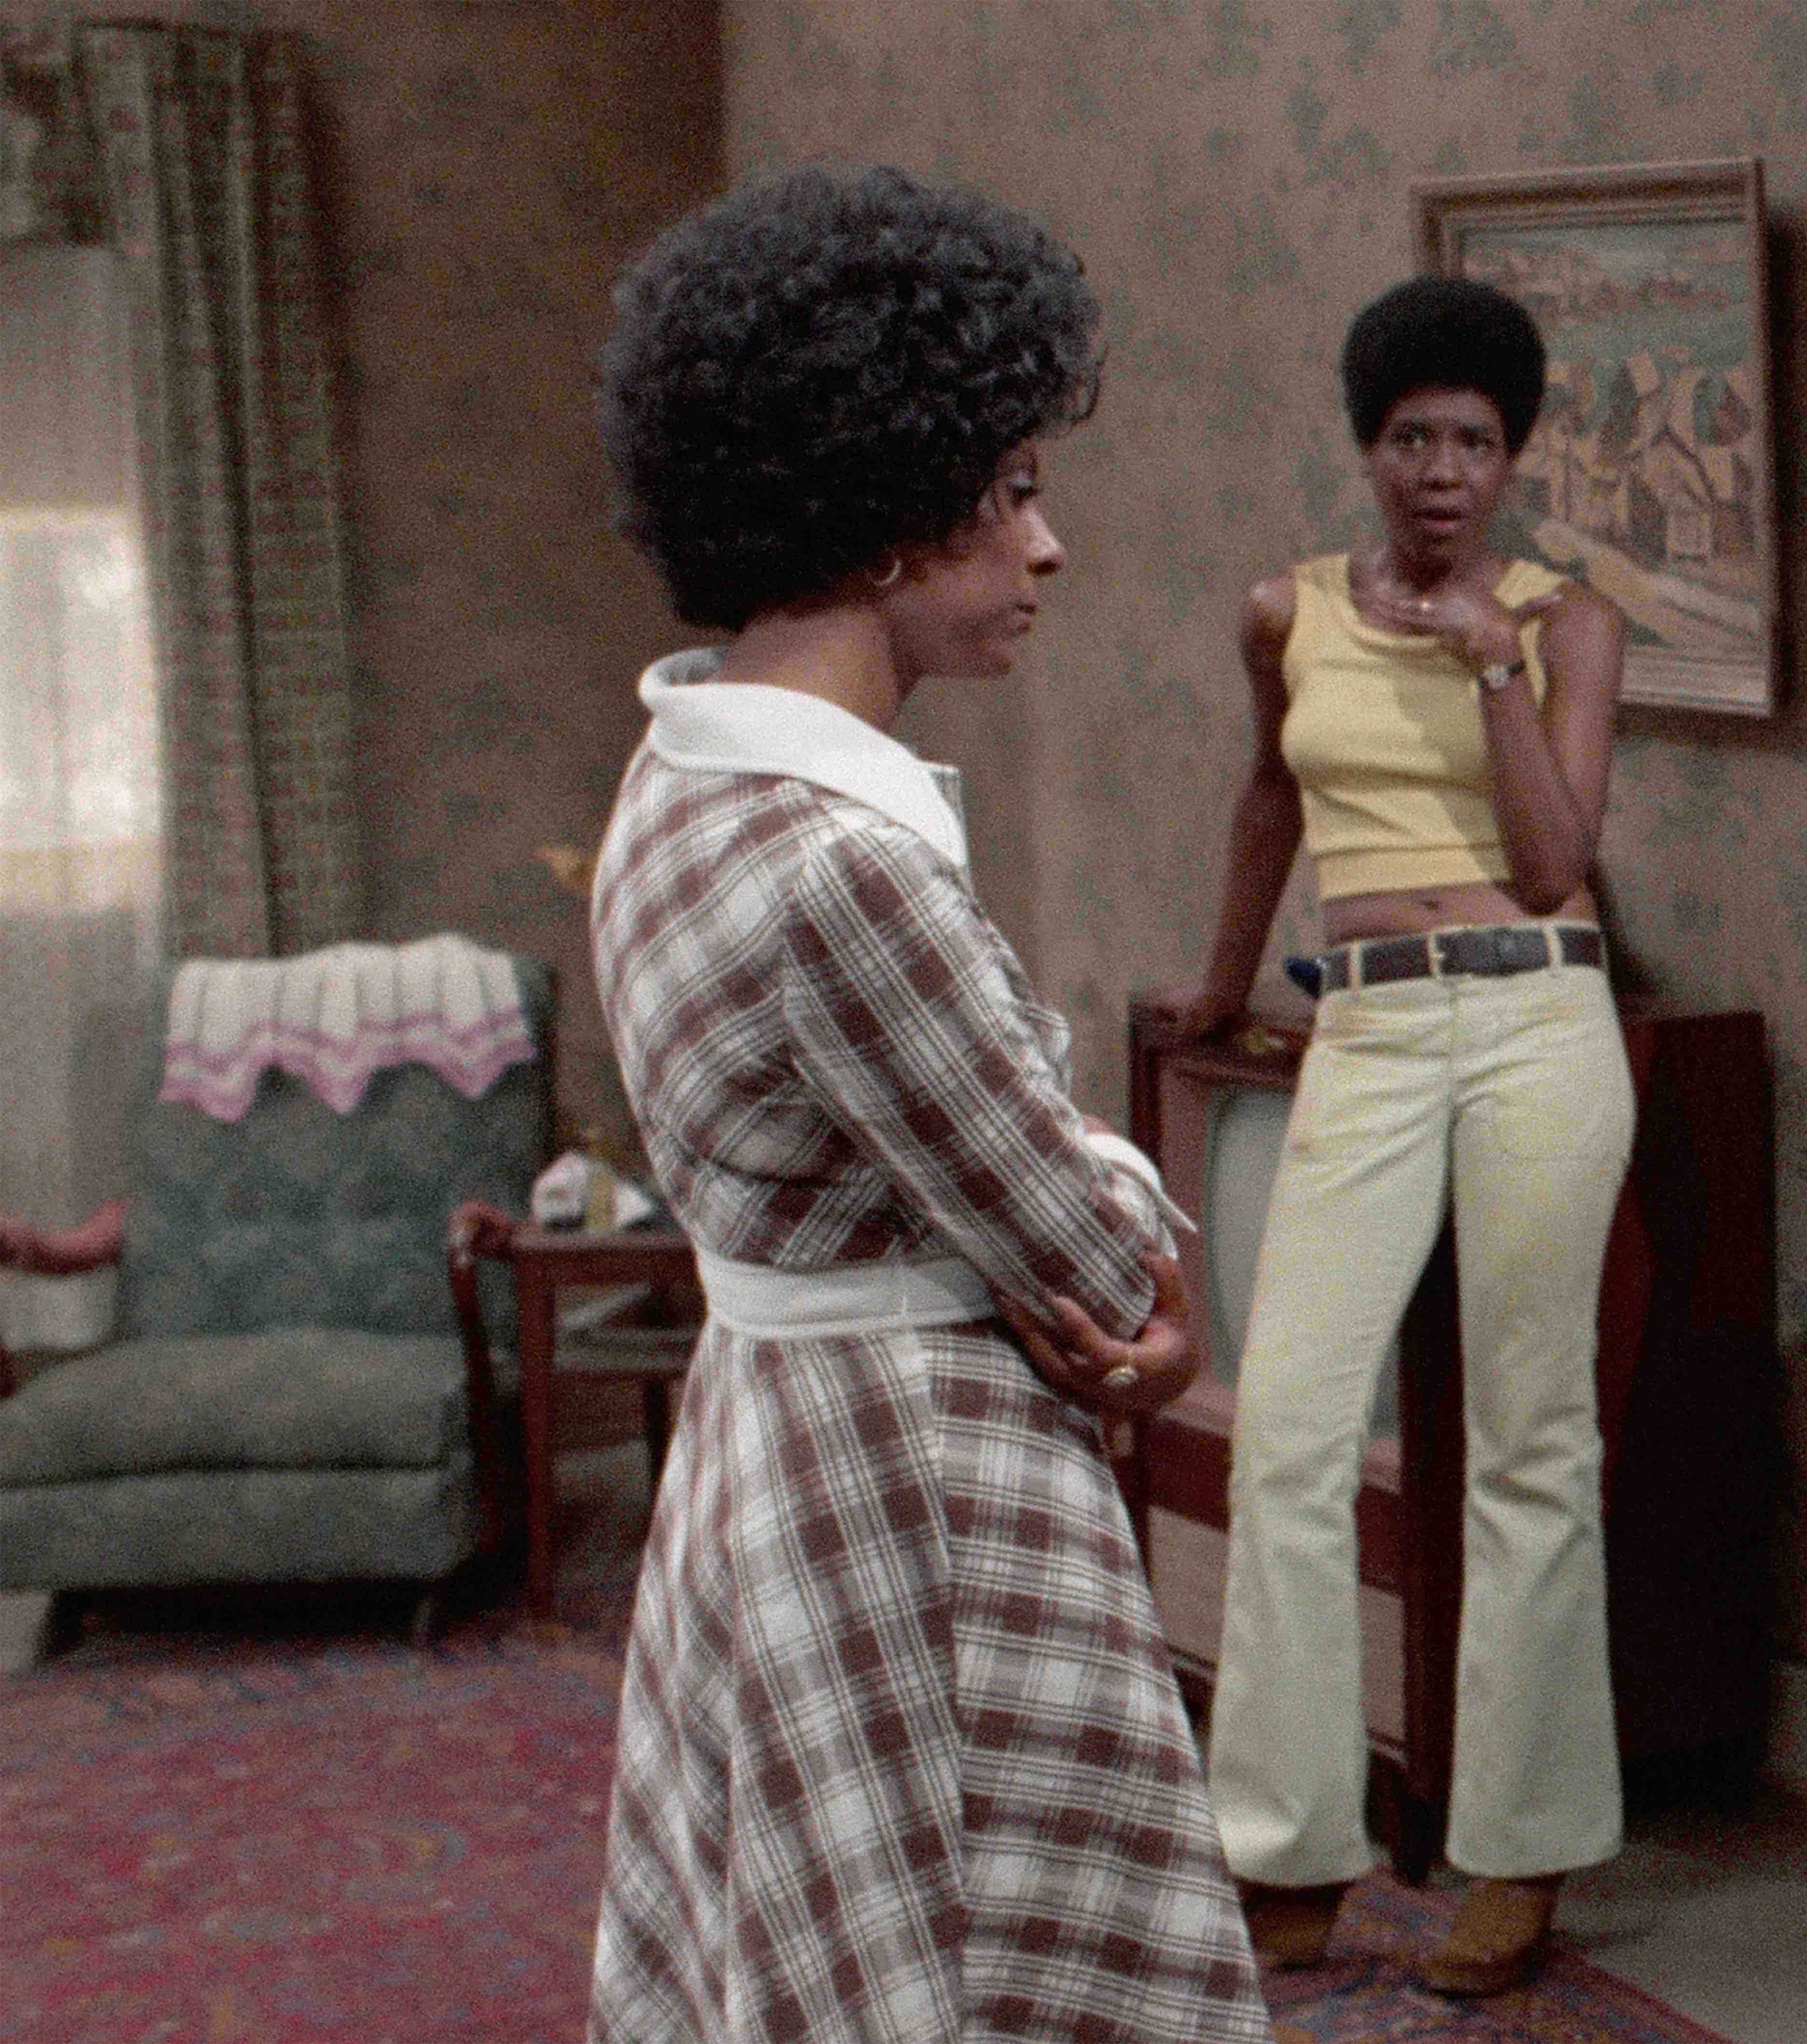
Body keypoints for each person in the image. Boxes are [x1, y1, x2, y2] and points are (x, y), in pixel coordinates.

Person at [582, 166, 1263, 2042]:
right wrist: (1129, 1248)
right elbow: (1094, 1251)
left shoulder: (675, 778)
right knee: (961, 1960)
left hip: (767, 1443)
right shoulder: (841, 861)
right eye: (1014, 489)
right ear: (890, 516)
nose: (1048, 546)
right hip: (907, 1483)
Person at [1175, 274, 1635, 1998]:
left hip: (1537, 1021)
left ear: (1514, 457)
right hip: (1365, 1027)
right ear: (1367, 447)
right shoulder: (1284, 612)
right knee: (1287, 1432)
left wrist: (1493, 664)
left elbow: (1552, 858)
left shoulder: (1568, 621)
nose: (1443, 472)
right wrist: (1218, 989)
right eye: (1413, 438)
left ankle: (1517, 1856)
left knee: (1533, 1442)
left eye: (1475, 442)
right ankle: (1292, 1850)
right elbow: (1269, 801)